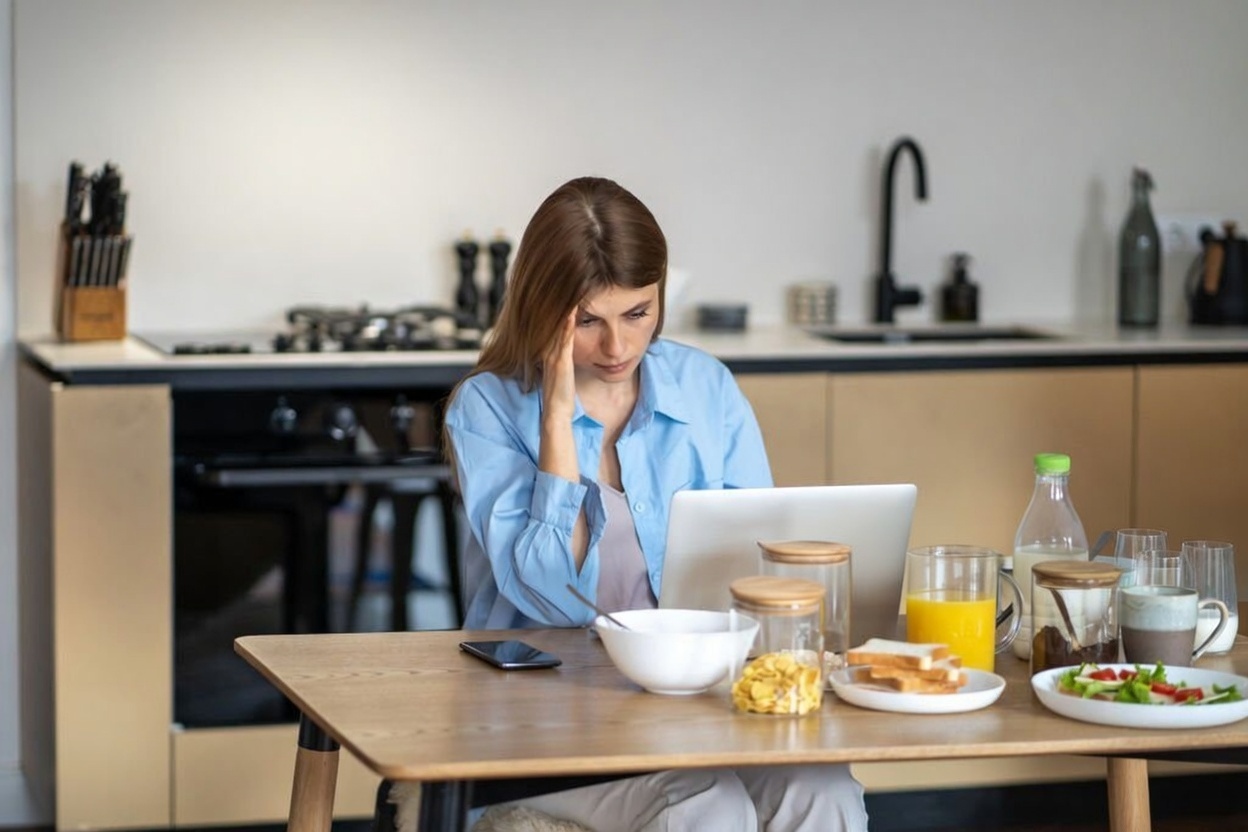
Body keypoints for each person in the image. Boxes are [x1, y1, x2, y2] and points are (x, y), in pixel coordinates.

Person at [440, 176, 868, 832]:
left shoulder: (706, 388)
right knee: (708, 804)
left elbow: (759, 575)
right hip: (545, 720)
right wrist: (557, 419)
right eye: (588, 321)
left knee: (823, 789)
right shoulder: (489, 408)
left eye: (637, 313)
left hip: (698, 701)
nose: (618, 348)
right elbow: (549, 600)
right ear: (545, 310)